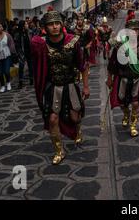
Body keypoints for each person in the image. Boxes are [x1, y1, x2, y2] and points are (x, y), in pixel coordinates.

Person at [31, 11, 90, 165]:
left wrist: (85, 86)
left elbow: (83, 65)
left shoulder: (73, 42)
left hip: (70, 85)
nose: (55, 27)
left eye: (57, 23)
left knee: (74, 117)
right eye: (51, 24)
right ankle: (59, 151)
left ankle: (77, 129)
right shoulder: (40, 45)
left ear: (62, 25)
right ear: (45, 27)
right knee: (52, 119)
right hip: (53, 88)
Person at [106, 19, 139, 138]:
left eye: (137, 30)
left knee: (135, 103)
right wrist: (109, 78)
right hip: (122, 77)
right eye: (132, 30)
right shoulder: (119, 46)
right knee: (123, 103)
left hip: (138, 79)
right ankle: (126, 114)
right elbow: (112, 63)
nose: (135, 32)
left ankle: (133, 125)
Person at [0, 22, 17, 93]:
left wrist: (13, 53)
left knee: (6, 71)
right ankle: (2, 85)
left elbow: (11, 44)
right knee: (0, 72)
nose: (1, 28)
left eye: (1, 27)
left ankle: (8, 83)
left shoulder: (7, 35)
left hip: (6, 55)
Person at [13, 20, 33, 89]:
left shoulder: (30, 32)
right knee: (21, 67)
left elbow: (32, 41)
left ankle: (31, 79)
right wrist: (19, 53)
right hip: (22, 52)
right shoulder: (17, 34)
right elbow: (16, 45)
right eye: (26, 24)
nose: (27, 25)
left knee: (31, 66)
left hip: (29, 52)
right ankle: (20, 82)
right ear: (23, 26)